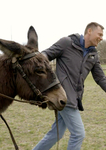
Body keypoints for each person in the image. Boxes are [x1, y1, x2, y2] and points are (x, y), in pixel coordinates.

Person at [32, 22, 106, 150]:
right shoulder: (67, 43)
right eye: (99, 34)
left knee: (55, 134)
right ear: (89, 31)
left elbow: (100, 77)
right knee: (78, 134)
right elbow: (45, 55)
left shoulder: (93, 54)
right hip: (62, 96)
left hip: (75, 99)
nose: (101, 38)